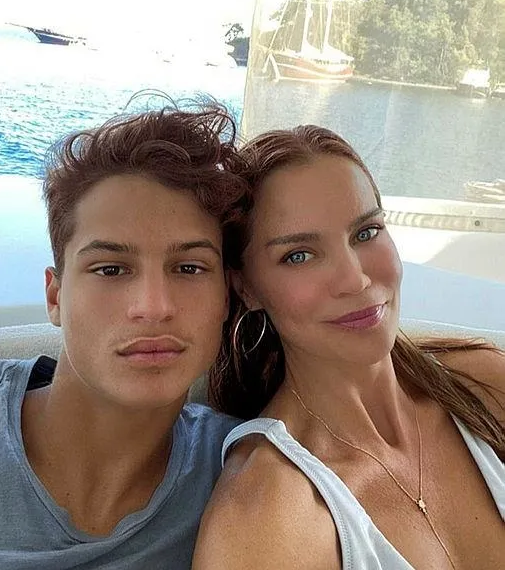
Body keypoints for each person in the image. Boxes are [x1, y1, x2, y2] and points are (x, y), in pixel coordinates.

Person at [193, 125, 505, 570]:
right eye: (299, 255)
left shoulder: (484, 383)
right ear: (246, 288)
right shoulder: (268, 517)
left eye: (366, 232)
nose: (354, 279)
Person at [0, 100, 247, 569]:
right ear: (55, 296)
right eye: (110, 269)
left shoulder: (243, 472)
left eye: (189, 268)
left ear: (227, 298)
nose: (154, 306)